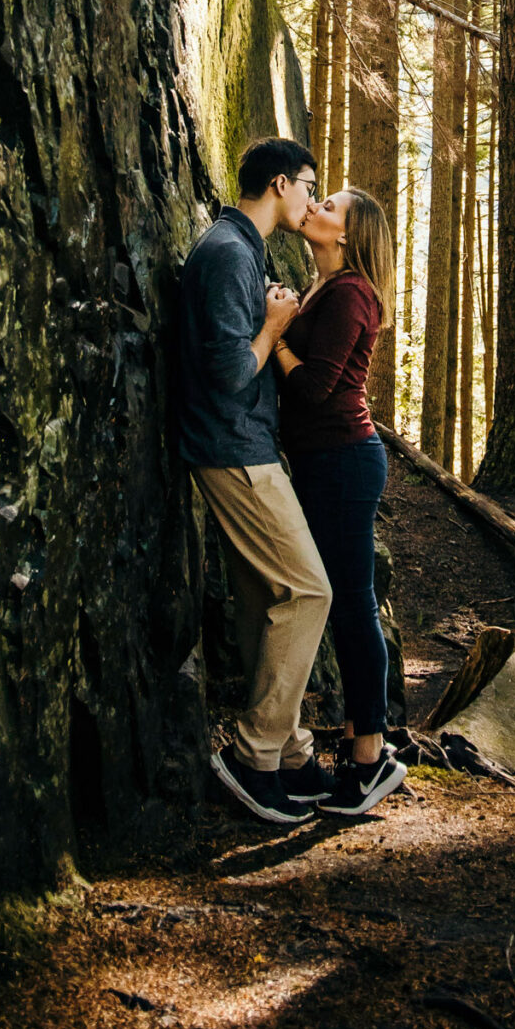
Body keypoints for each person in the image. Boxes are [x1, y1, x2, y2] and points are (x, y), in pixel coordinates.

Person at [177, 136, 334, 828]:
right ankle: (253, 754)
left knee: (269, 599)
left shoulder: (241, 250)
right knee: (308, 591)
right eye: (307, 184)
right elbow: (228, 373)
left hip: (242, 442)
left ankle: (291, 754)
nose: (311, 197)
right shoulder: (226, 253)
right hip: (231, 448)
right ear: (278, 183)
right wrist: (273, 326)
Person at [273, 185, 408, 819]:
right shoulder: (324, 289)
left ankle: (372, 755)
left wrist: (274, 339)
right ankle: (360, 745)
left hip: (344, 464)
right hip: (325, 463)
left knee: (353, 606)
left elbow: (319, 389)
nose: (316, 208)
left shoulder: (352, 293)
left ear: (347, 236)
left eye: (329, 207)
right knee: (336, 603)